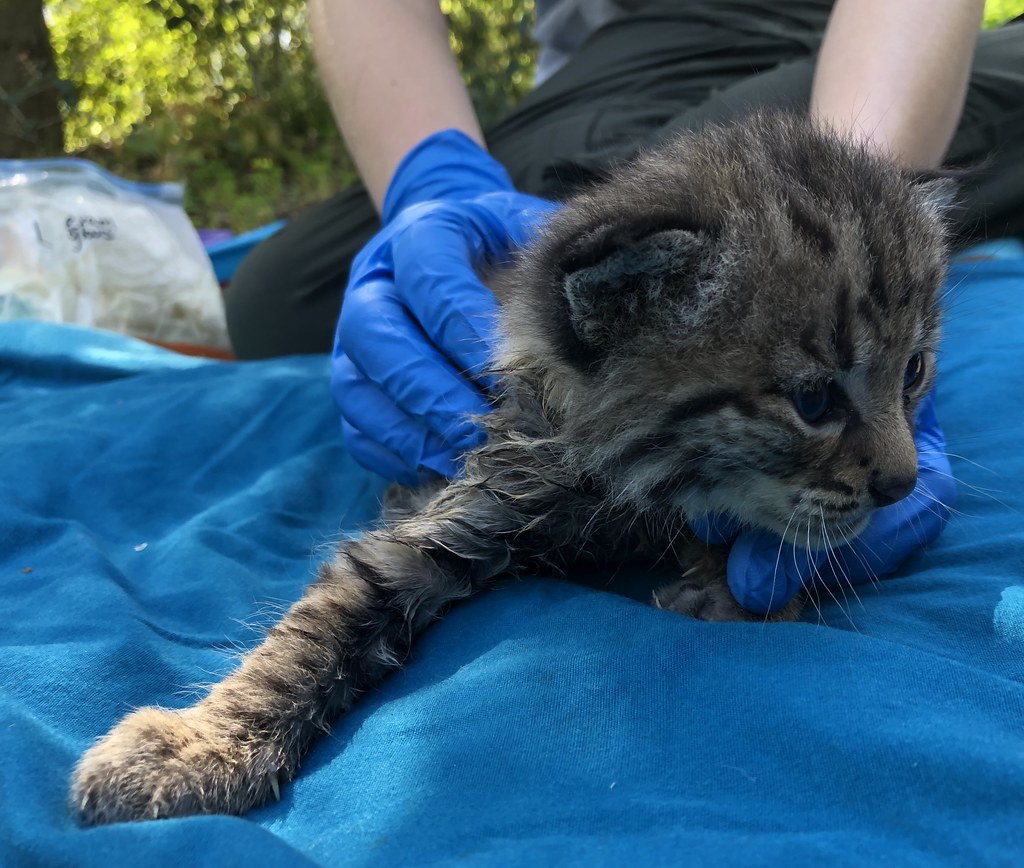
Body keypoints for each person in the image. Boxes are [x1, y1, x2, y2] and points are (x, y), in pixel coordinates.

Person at [224, 0, 1024, 613]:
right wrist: (432, 177)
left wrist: (855, 239)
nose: (900, 469)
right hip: (611, 63)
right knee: (275, 302)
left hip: (856, 38)